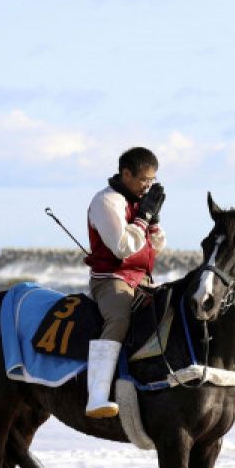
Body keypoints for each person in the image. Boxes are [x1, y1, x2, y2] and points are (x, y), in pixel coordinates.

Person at [82, 146, 167, 417]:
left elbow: (157, 245)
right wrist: (143, 217)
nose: (148, 186)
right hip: (111, 281)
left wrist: (153, 220)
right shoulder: (106, 201)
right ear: (126, 173)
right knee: (119, 319)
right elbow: (123, 247)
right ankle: (96, 394)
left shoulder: (137, 201)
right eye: (144, 179)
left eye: (152, 180)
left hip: (142, 279)